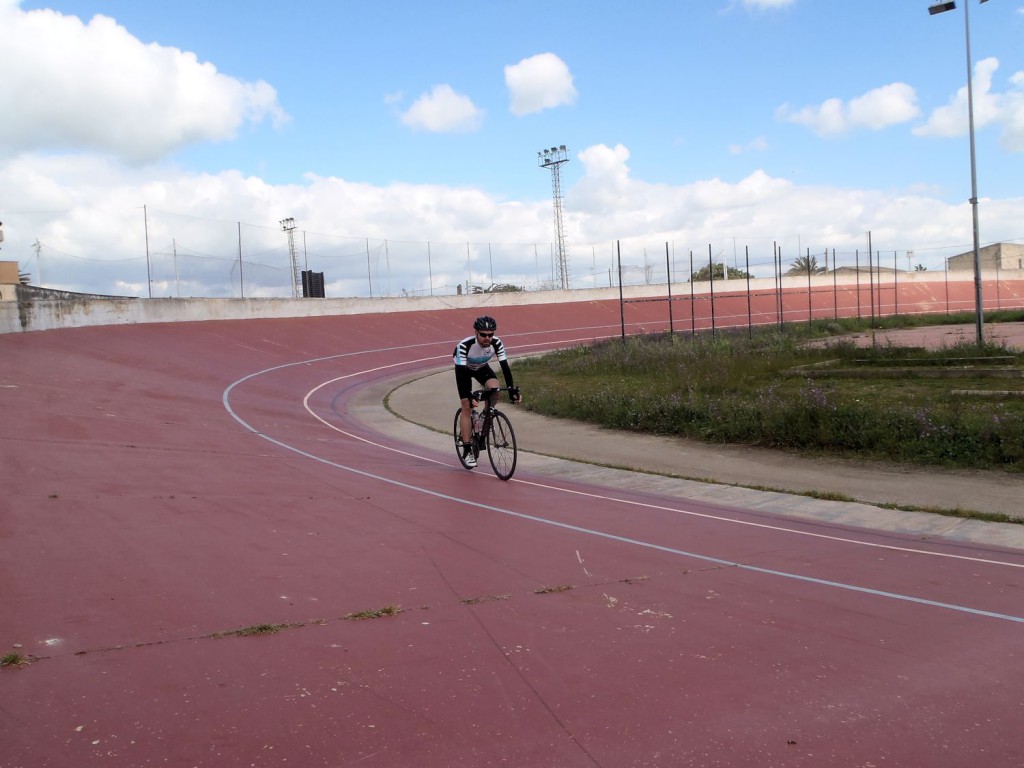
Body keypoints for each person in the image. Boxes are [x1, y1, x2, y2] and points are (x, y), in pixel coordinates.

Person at [453, 315, 521, 467]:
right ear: (476, 333)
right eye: (483, 335)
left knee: (495, 389)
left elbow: (505, 367)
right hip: (464, 370)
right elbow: (461, 375)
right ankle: (467, 450)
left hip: (482, 368)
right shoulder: (465, 346)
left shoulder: (496, 343)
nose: (487, 338)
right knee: (467, 406)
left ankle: (484, 415)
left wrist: (512, 391)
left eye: (490, 335)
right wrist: (468, 395)